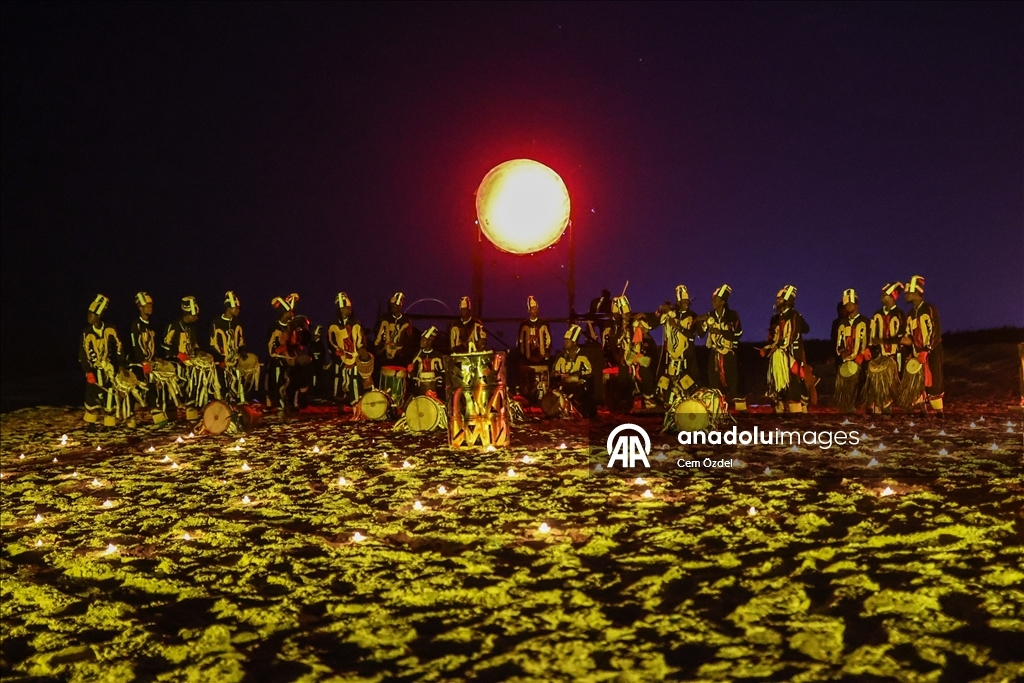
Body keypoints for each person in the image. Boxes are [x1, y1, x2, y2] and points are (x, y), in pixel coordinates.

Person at [898, 275, 944, 415]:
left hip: (932, 351)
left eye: (908, 293)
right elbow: (910, 336)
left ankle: (940, 413)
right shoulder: (910, 314)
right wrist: (903, 342)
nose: (905, 296)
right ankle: (923, 412)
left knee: (934, 381)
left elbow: (935, 331)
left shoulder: (930, 309)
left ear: (915, 293)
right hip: (917, 353)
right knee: (917, 382)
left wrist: (926, 349)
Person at [698, 285, 746, 412]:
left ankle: (742, 413)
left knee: (734, 381)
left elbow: (738, 334)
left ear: (723, 302)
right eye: (712, 299)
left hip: (729, 353)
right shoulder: (710, 316)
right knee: (714, 382)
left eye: (716, 300)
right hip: (715, 354)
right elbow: (701, 334)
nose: (712, 302)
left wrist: (721, 332)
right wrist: (700, 321)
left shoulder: (732, 316)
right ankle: (717, 411)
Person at [763, 285, 809, 413]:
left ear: (788, 300)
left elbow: (800, 331)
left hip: (791, 356)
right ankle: (781, 411)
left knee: (794, 386)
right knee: (778, 387)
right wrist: (768, 347)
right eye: (777, 299)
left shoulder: (794, 316)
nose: (777, 301)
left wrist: (777, 346)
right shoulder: (775, 318)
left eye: (780, 299)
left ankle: (799, 413)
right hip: (777, 358)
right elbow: (772, 337)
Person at [79, 294, 122, 426]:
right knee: (92, 397)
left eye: (91, 314)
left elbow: (119, 348)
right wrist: (88, 371)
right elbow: (83, 354)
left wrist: (120, 366)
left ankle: (109, 423)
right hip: (94, 370)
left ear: (99, 315)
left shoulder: (110, 329)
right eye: (88, 314)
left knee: (109, 396)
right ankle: (91, 424)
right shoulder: (86, 333)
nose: (88, 317)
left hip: (108, 370)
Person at [128, 292, 171, 424]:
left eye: (151, 305)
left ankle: (160, 416)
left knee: (156, 386)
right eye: (147, 305)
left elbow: (153, 345)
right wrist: (143, 362)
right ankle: (131, 418)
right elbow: (136, 346)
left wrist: (157, 358)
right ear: (140, 307)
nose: (150, 307)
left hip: (149, 362)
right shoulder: (136, 325)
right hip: (138, 363)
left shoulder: (151, 324)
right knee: (141, 388)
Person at [162, 296, 207, 419]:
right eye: (195, 315)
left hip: (188, 360)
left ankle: (194, 404)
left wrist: (200, 351)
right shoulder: (173, 326)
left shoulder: (192, 328)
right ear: (188, 314)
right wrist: (178, 355)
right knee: (187, 374)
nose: (197, 318)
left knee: (200, 372)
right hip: (175, 360)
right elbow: (165, 346)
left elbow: (194, 344)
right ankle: (177, 406)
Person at [864, 282, 905, 414]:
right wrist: (868, 348)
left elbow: (903, 335)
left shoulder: (899, 314)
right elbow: (871, 334)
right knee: (877, 383)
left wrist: (888, 342)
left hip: (894, 355)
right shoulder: (877, 314)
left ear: (893, 297)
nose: (881, 297)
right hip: (879, 354)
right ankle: (877, 409)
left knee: (891, 382)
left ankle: (887, 409)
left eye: (884, 295)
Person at [327, 292, 373, 406]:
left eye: (350, 308)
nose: (350, 310)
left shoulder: (356, 323)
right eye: (347, 308)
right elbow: (330, 342)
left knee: (354, 379)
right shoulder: (333, 324)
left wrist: (361, 350)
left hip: (354, 357)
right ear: (341, 309)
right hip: (340, 358)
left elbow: (361, 340)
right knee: (338, 378)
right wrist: (336, 352)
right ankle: (339, 403)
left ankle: (356, 403)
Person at [656, 285, 700, 404]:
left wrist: (677, 326)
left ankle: (691, 403)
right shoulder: (671, 314)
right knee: (668, 379)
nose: (687, 304)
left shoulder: (692, 316)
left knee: (689, 382)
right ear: (678, 302)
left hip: (687, 355)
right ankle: (668, 402)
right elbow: (657, 319)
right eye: (684, 301)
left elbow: (692, 334)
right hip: (671, 355)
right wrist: (661, 309)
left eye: (688, 301)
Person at [210, 291, 249, 403]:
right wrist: (220, 359)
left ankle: (238, 403)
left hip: (235, 361)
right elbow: (212, 344)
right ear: (228, 308)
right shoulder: (216, 323)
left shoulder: (237, 323)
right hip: (222, 362)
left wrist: (242, 352)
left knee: (237, 384)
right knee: (223, 386)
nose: (238, 310)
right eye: (236, 308)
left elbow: (241, 340)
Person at [834, 288, 868, 413]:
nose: (848, 306)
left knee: (861, 391)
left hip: (861, 362)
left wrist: (862, 354)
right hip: (846, 362)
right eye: (846, 304)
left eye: (850, 304)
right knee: (847, 393)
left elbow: (869, 341)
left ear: (856, 304)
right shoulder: (842, 323)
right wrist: (842, 351)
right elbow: (839, 341)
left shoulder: (865, 321)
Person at [552, 324, 595, 417]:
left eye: (568, 341)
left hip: (578, 385)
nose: (565, 342)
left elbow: (590, 371)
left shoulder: (583, 355)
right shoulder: (561, 356)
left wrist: (577, 375)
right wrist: (558, 374)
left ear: (574, 342)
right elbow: (554, 371)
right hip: (563, 384)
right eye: (564, 340)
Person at [517, 295, 553, 402]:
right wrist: (521, 354)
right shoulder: (524, 324)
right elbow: (520, 341)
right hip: (527, 358)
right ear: (529, 310)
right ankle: (527, 396)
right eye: (533, 309)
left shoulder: (544, 323)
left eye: (536, 308)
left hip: (541, 356)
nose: (535, 310)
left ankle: (544, 396)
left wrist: (547, 351)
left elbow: (549, 338)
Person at [266, 295, 295, 411]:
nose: (291, 314)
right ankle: (278, 403)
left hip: (290, 360)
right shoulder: (274, 328)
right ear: (284, 313)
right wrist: (281, 348)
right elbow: (271, 348)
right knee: (278, 382)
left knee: (289, 382)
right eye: (289, 312)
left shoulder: (291, 327)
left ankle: (289, 402)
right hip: (278, 360)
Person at [375, 291, 414, 366]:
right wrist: (379, 348)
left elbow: (410, 338)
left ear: (399, 306)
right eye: (391, 305)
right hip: (384, 355)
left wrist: (402, 348)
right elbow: (378, 335)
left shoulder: (406, 321)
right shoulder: (385, 319)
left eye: (394, 306)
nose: (392, 307)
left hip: (400, 356)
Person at [409, 326, 445, 399]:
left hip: (435, 390)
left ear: (429, 342)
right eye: (421, 340)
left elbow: (442, 373)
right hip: (419, 389)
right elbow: (413, 373)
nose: (421, 342)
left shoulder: (437, 355)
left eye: (424, 340)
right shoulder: (417, 355)